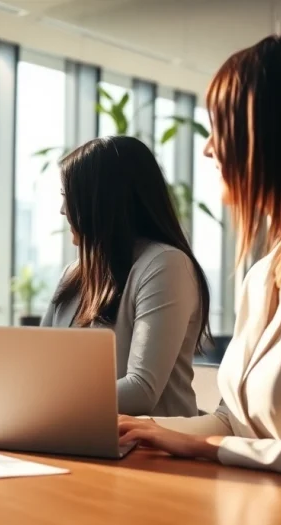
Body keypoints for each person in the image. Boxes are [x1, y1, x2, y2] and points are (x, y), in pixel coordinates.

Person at [118, 28, 281, 482]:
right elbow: (232, 419)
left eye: (221, 128)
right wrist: (146, 428)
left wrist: (209, 447)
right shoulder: (262, 275)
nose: (208, 147)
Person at [42, 135, 211, 417]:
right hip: (77, 434)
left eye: (67, 197)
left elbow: (141, 390)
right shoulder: (74, 273)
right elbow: (39, 366)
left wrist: (42, 404)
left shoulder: (165, 265)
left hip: (154, 449)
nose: (62, 210)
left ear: (100, 200)